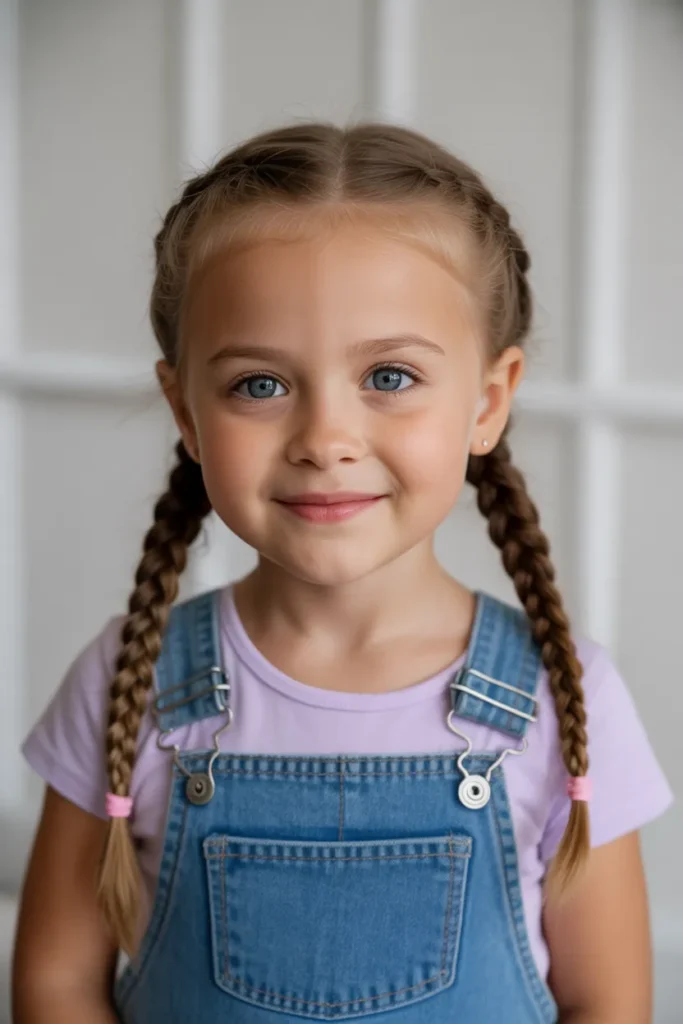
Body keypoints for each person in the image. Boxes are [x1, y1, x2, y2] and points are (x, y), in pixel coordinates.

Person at [12, 123, 672, 1024]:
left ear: (486, 401)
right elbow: (56, 985)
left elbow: (606, 1004)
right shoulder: (132, 685)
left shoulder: (567, 699)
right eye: (259, 384)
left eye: (390, 376)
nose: (325, 440)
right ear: (187, 410)